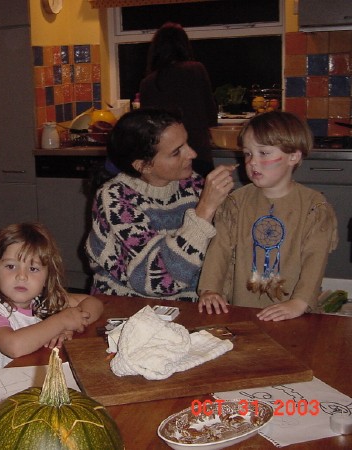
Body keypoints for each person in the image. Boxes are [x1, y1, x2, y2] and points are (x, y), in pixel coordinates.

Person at [197, 111, 338, 321]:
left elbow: (314, 259)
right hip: (241, 309)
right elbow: (220, 250)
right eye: (247, 153)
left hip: (293, 313)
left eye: (264, 153)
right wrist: (210, 290)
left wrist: (300, 302)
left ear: (294, 156)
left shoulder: (314, 207)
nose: (253, 162)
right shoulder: (235, 202)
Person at [85, 108, 236, 301]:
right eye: (176, 152)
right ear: (143, 165)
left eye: (186, 143)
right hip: (126, 308)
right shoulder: (115, 198)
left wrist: (211, 289)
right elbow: (160, 279)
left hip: (190, 307)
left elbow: (224, 246)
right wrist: (204, 210)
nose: (192, 153)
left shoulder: (194, 184)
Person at [0, 222, 103, 369]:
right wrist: (61, 322)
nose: (22, 276)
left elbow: (93, 302)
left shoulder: (42, 301)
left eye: (33, 268)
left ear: (47, 277)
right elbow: (14, 346)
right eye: (11, 266)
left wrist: (73, 323)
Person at [139, 22, 218, 177]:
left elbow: (147, 127)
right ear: (184, 45)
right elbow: (211, 115)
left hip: (165, 160)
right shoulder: (196, 69)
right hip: (197, 152)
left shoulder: (148, 82)